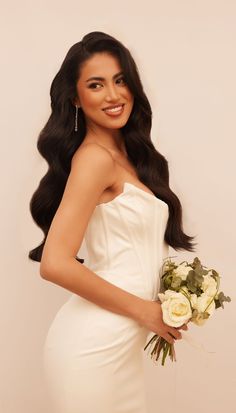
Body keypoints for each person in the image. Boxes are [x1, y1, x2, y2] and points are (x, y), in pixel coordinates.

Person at [29, 31, 196, 413]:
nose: (113, 95)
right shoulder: (93, 159)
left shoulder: (128, 157)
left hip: (121, 346)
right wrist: (146, 311)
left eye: (120, 80)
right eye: (96, 84)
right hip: (93, 347)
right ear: (75, 97)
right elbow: (55, 263)